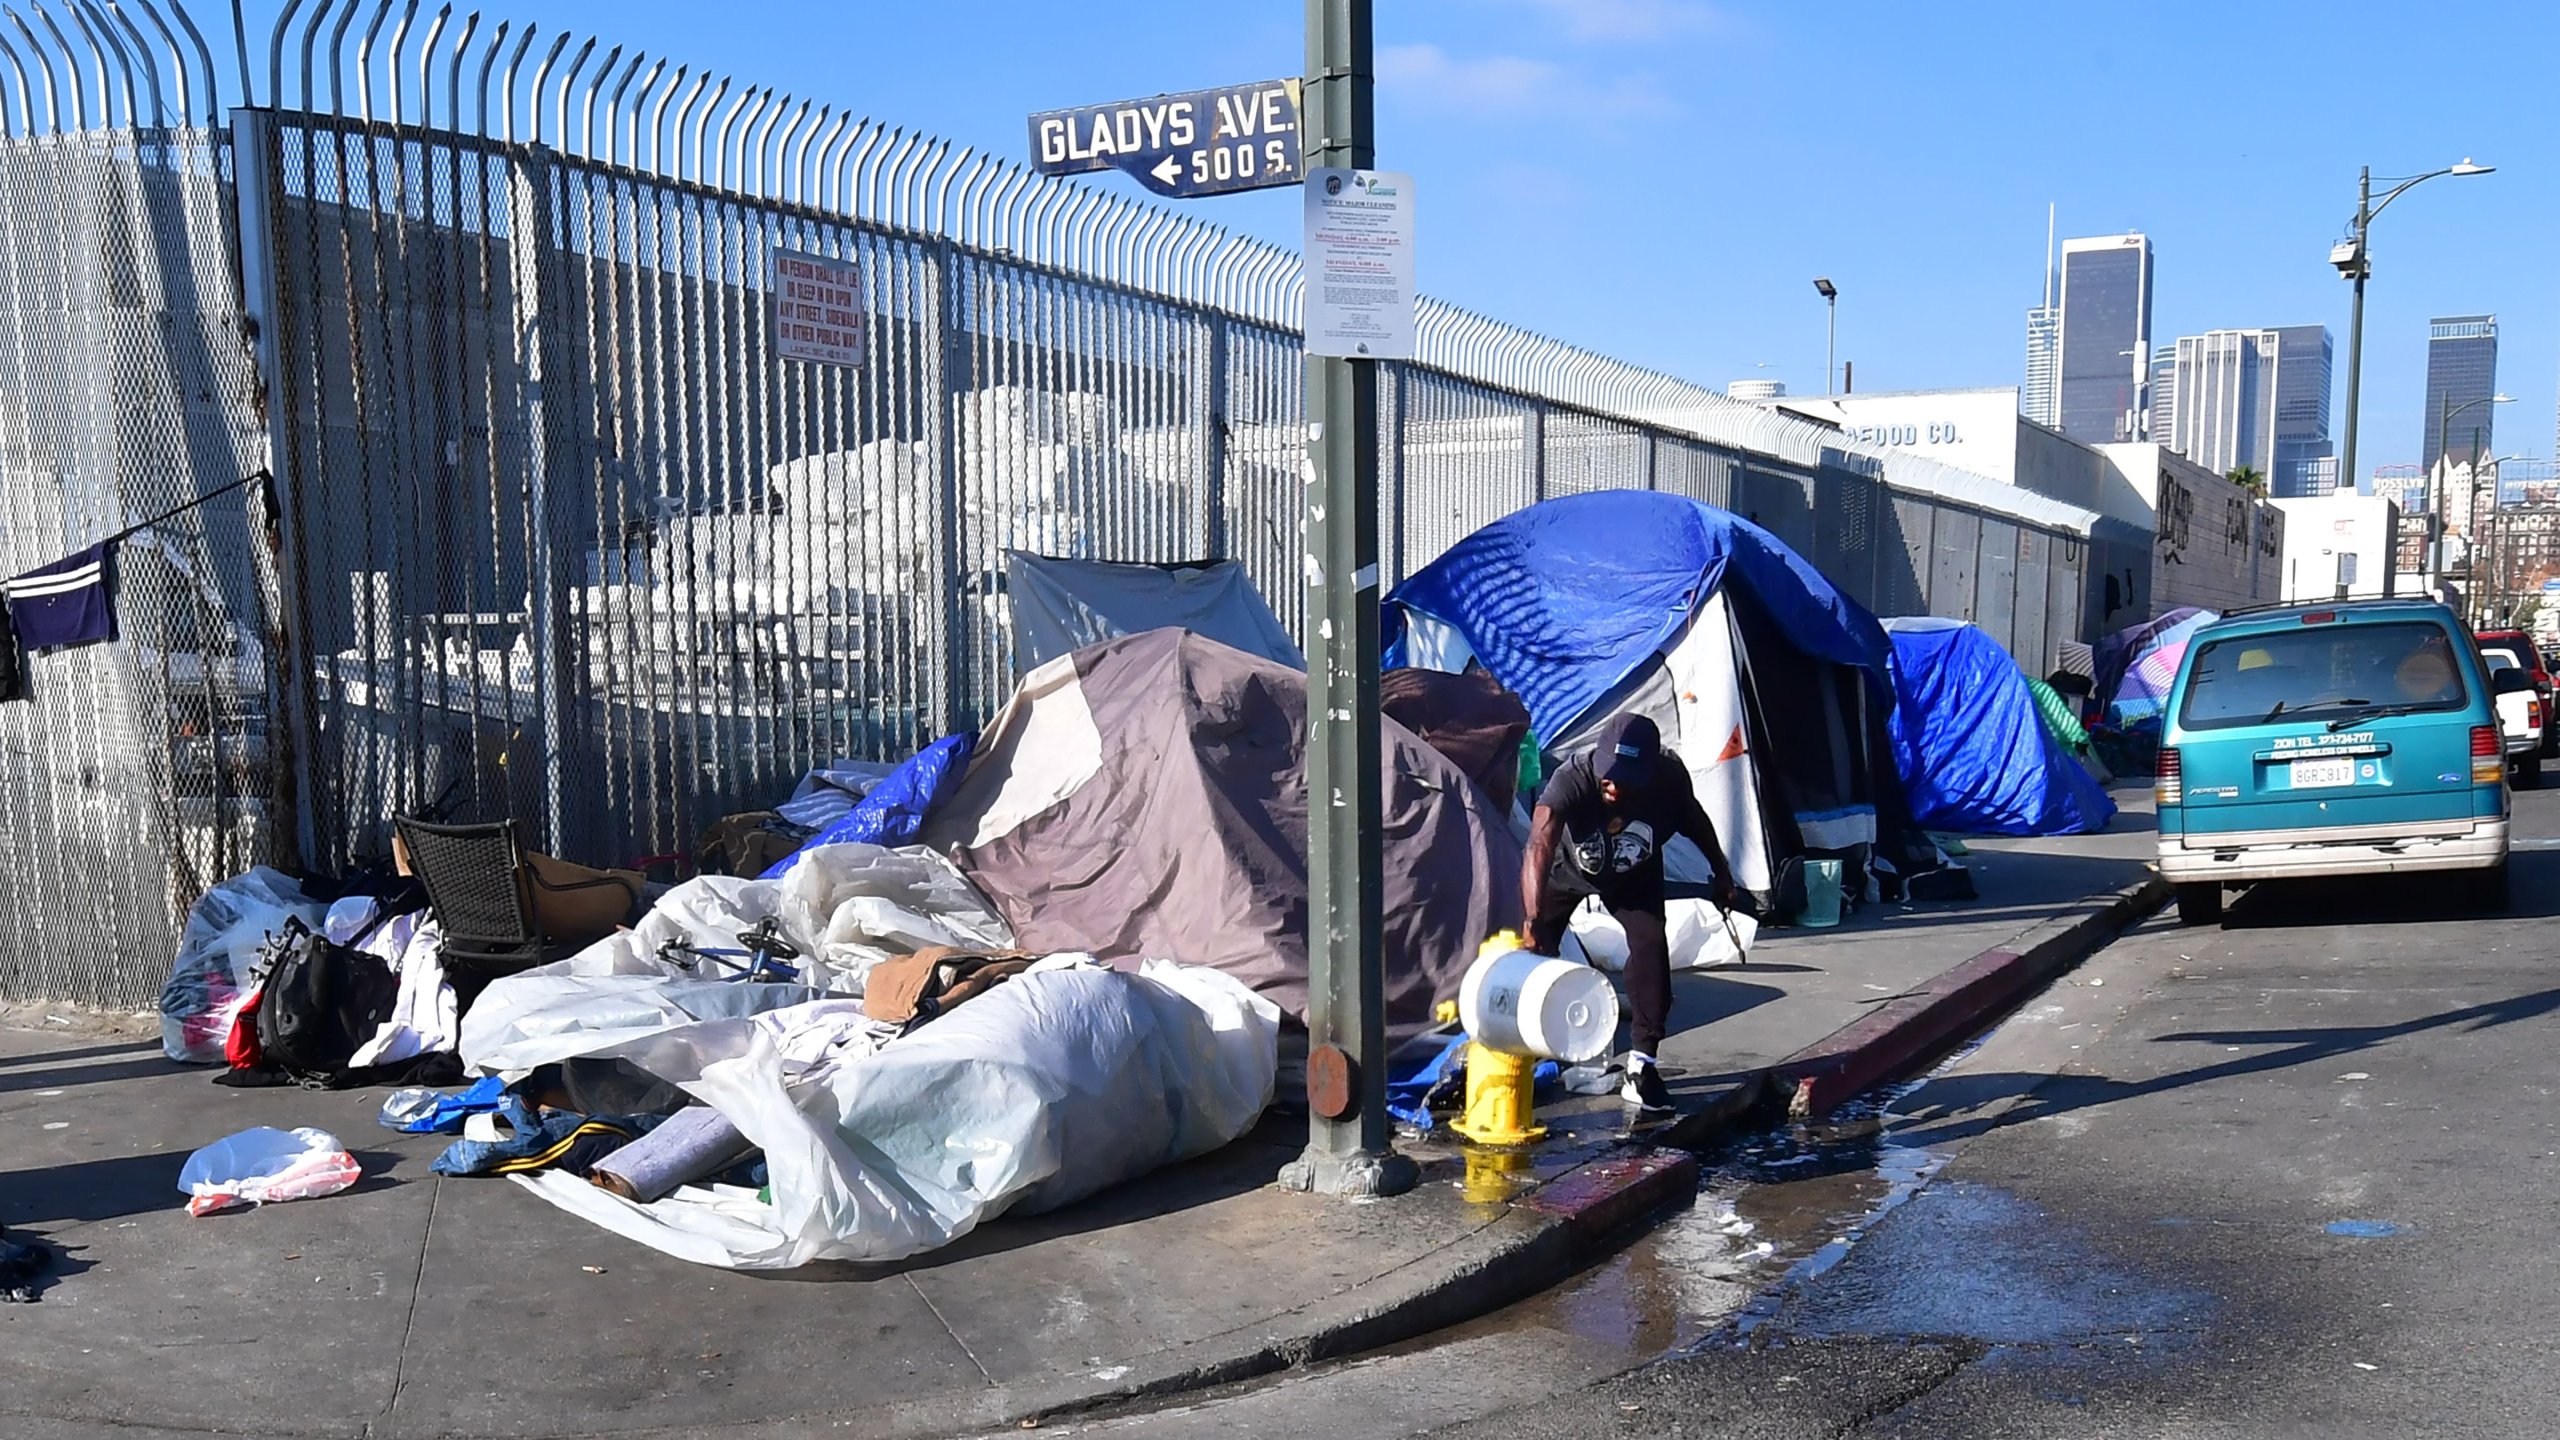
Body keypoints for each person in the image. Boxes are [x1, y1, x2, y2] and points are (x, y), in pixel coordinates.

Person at [1518, 712, 1738, 1114]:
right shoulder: (1572, 778)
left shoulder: (1669, 780)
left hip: (1635, 875)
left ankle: (1643, 1066)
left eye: (1626, 777)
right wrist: (1532, 917)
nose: (1613, 785)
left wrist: (1722, 873)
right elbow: (1538, 844)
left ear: (1650, 769)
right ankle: (1532, 1049)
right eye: (1608, 774)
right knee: (1533, 952)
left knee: (1651, 946)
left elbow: (1696, 822)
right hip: (1566, 872)